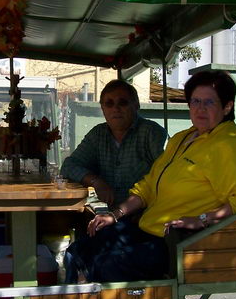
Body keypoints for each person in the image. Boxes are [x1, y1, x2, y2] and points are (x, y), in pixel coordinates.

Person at [66, 70, 236, 283]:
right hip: (148, 228)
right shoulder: (183, 137)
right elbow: (149, 185)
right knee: (78, 249)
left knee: (103, 265)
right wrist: (116, 214)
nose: (200, 108)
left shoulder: (230, 146)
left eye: (209, 102)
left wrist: (202, 220)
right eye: (195, 101)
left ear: (227, 106)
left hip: (177, 241)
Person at [60, 79, 167, 207]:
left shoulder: (152, 133)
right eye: (109, 103)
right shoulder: (98, 134)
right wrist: (96, 182)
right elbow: (68, 166)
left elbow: (169, 175)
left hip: (145, 213)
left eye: (123, 103)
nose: (116, 108)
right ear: (103, 109)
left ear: (136, 105)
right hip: (109, 214)